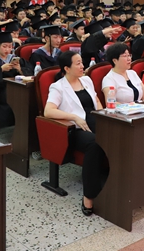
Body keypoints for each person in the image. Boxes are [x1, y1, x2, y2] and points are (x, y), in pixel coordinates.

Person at [43, 51, 108, 216]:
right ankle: (89, 196)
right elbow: (48, 111)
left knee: (119, 134)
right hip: (76, 129)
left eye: (82, 62)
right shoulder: (58, 87)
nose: (82, 66)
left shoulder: (86, 80)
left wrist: (105, 117)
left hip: (96, 121)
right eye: (78, 63)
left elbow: (96, 101)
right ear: (67, 68)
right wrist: (74, 117)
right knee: (94, 144)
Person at [0, 32, 32, 129]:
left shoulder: (15, 59)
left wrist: (20, 69)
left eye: (10, 46)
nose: (7, 49)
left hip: (17, 86)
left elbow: (31, 72)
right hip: (0, 89)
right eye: (4, 46)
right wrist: (1, 69)